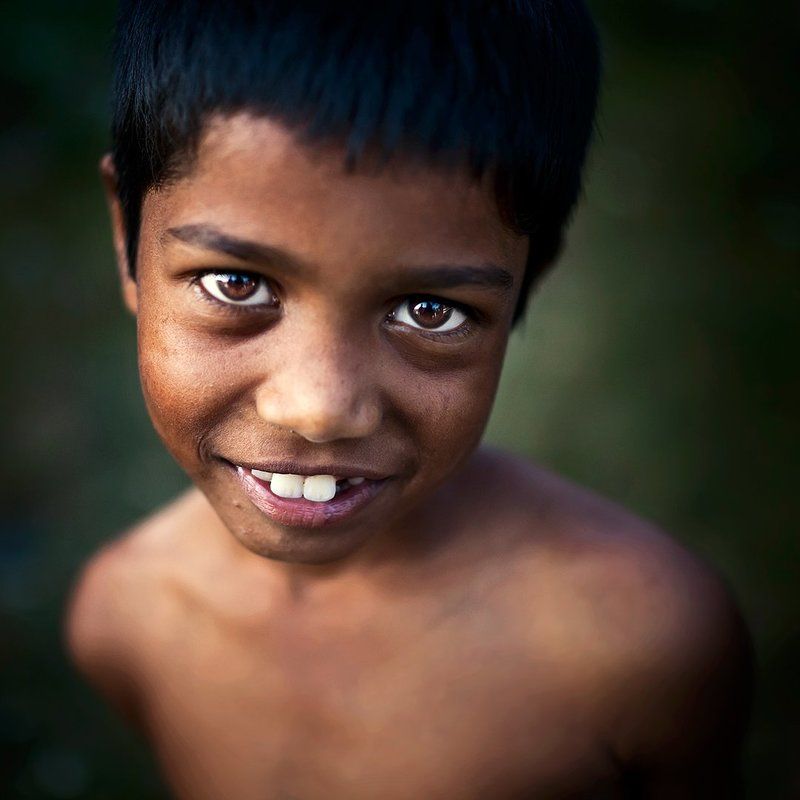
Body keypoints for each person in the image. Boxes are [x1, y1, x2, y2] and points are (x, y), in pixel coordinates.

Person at [64, 1, 753, 797]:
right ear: (127, 236)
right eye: (237, 284)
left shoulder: (645, 652)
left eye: (431, 311)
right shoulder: (125, 620)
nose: (318, 407)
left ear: (529, 275)